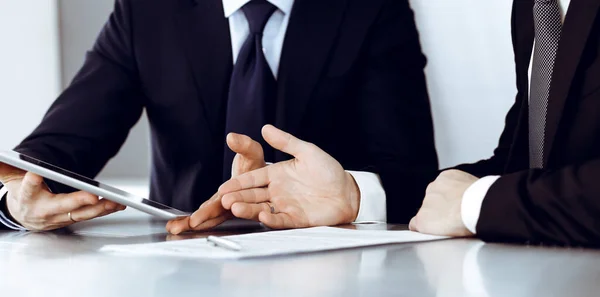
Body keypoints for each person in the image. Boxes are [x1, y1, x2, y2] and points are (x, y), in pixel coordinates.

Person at [0, 0, 439, 231]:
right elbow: (56, 150)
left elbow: (412, 177)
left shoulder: (372, 7)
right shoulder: (146, 9)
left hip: (330, 270)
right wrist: (16, 205)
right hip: (180, 260)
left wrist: (354, 196)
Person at [212, 0, 600, 247]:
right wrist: (355, 196)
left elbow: (491, 193)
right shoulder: (535, 7)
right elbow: (519, 168)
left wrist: (478, 204)